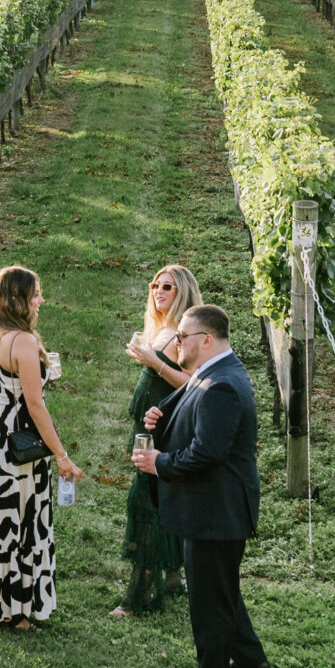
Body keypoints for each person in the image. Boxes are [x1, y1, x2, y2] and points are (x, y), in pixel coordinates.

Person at [139, 304, 270, 668]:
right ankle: (250, 658)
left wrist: (159, 463)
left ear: (206, 340)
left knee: (209, 598)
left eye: (182, 337)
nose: (176, 343)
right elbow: (192, 406)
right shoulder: (213, 373)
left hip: (216, 509)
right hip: (213, 507)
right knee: (221, 588)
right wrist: (161, 418)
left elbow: (206, 453)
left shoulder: (222, 384)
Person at [0, 266, 82, 630]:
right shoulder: (25, 342)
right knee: (22, 517)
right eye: (36, 294)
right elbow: (35, 405)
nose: (41, 300)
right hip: (20, 441)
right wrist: (61, 456)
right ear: (19, 299)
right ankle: (16, 610)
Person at [116, 264, 200, 617]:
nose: (159, 291)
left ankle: (137, 598)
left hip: (165, 431)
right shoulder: (162, 328)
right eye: (155, 285)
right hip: (150, 426)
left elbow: (195, 382)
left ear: (183, 292)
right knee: (161, 500)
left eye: (168, 287)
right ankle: (173, 575)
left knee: (147, 504)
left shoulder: (185, 334)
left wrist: (154, 362)